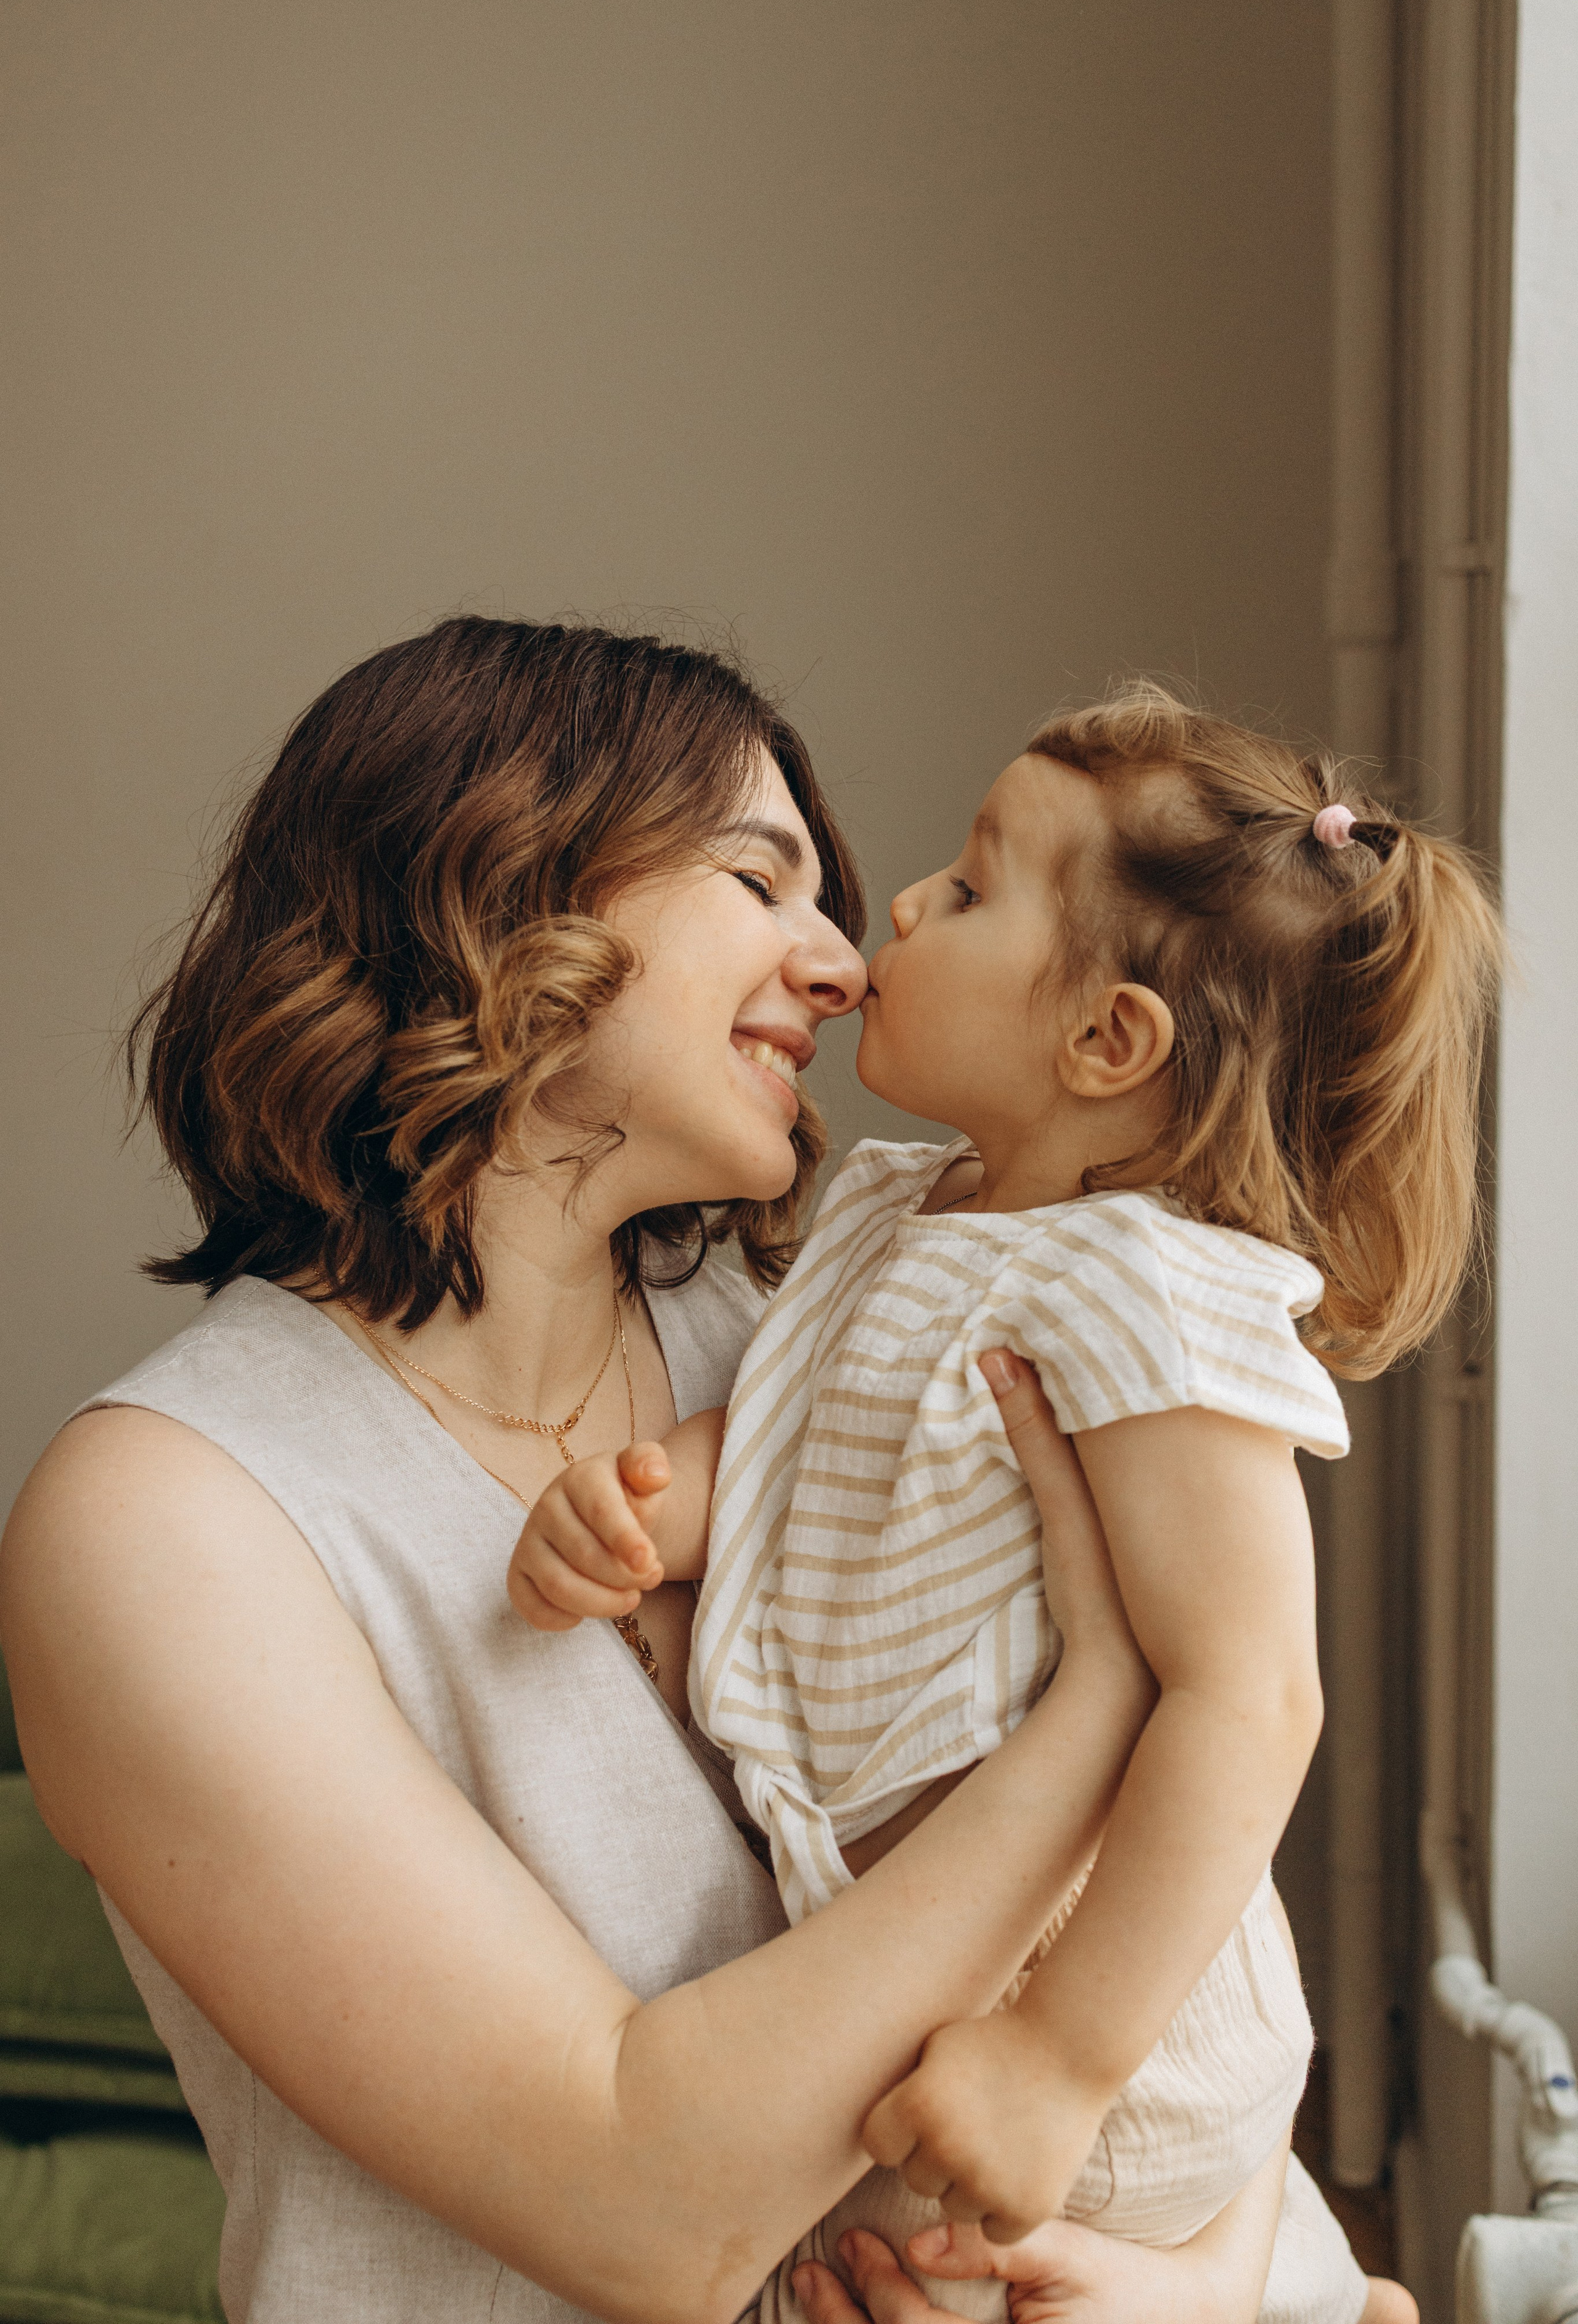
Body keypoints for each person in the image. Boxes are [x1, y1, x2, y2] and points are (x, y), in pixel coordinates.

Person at [0, 622, 1315, 2324]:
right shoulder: (171, 1521)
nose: (844, 964)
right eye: (763, 880)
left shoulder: (818, 1344)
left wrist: (1203, 2288)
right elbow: (641, 2212)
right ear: (497, 885)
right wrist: (1108, 1699)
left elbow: (1187, 1968)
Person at [512, 685, 1490, 2321]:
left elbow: (1253, 1693)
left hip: (1105, 2033)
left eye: (968, 892)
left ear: (1107, 1039)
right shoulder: (902, 1210)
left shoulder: (1146, 1293)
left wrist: (1057, 2059)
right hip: (931, 1960)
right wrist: (649, 1503)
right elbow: (801, 1431)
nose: (895, 906)